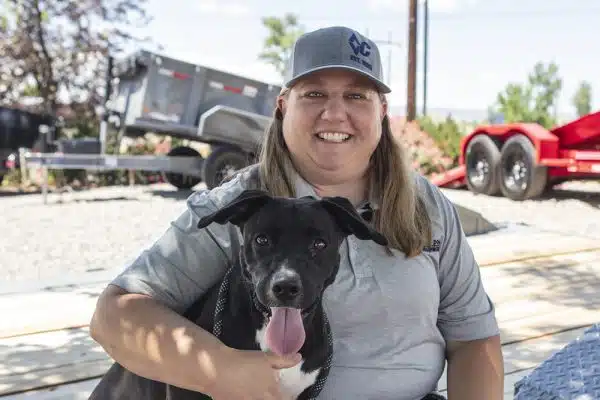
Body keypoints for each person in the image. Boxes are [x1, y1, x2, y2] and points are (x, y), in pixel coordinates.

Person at [89, 26, 504, 400]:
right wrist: (217, 369)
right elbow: (114, 316)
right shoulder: (243, 206)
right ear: (284, 106)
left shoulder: (426, 206)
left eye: (356, 95)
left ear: (381, 111)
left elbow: (473, 340)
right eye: (315, 94)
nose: (335, 112)